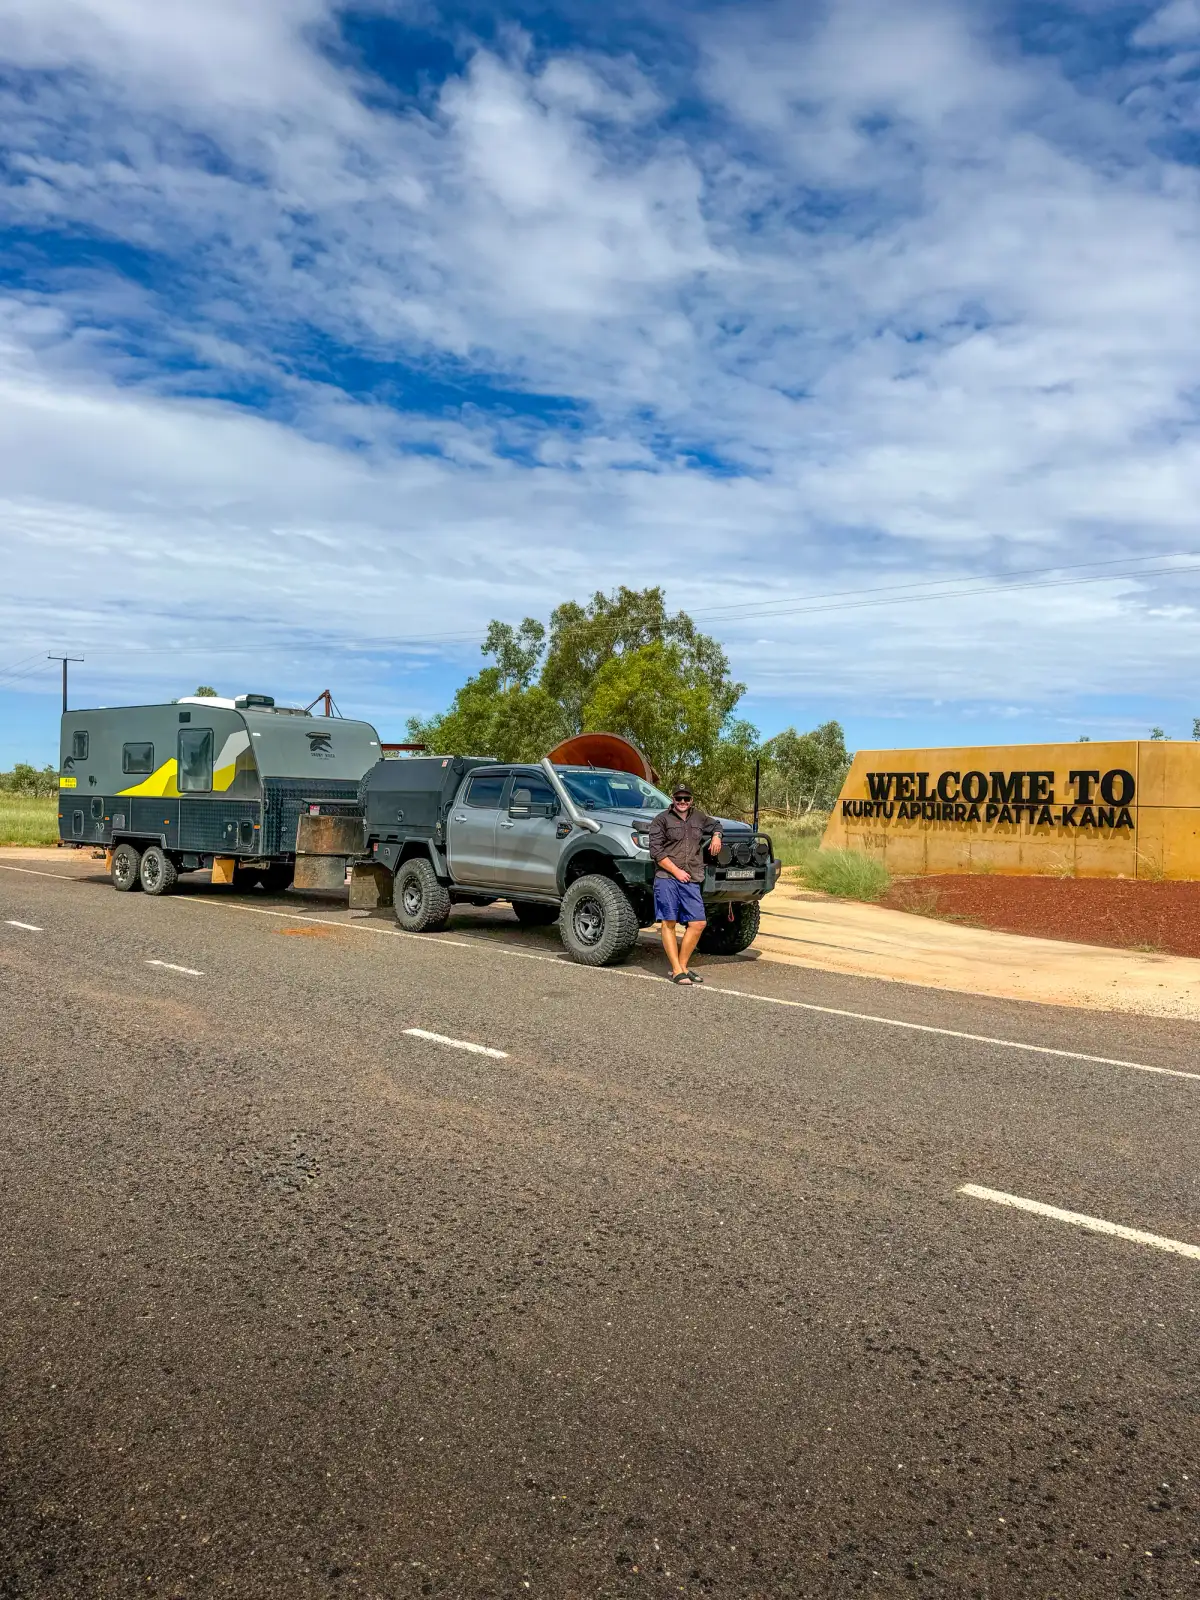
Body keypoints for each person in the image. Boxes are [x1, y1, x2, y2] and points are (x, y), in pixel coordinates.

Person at [648, 783, 722, 985]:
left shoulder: (699, 817)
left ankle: (682, 966)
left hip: (691, 877)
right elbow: (656, 851)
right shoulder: (661, 820)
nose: (682, 802)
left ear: (691, 800)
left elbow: (716, 825)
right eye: (678, 798)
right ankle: (676, 968)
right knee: (669, 921)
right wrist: (676, 871)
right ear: (672, 799)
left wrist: (717, 836)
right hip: (667, 877)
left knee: (698, 923)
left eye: (686, 799)